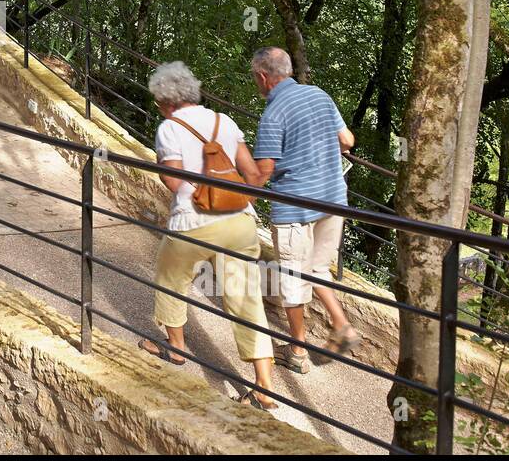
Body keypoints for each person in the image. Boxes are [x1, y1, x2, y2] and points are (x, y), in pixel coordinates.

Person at [139, 60, 278, 411]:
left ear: (166, 100)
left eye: (157, 101)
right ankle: (263, 386)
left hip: (193, 221)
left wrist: (190, 183)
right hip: (239, 222)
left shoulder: (169, 128)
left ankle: (177, 347)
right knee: (245, 298)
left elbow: (171, 180)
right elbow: (252, 174)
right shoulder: (224, 122)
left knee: (170, 276)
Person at [249, 46, 362, 373]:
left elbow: (264, 170)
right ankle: (342, 326)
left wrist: (243, 204)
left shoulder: (274, 113)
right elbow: (348, 140)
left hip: (296, 206)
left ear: (263, 77)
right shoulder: (319, 95)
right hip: (332, 199)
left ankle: (297, 350)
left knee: (293, 278)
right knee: (316, 268)